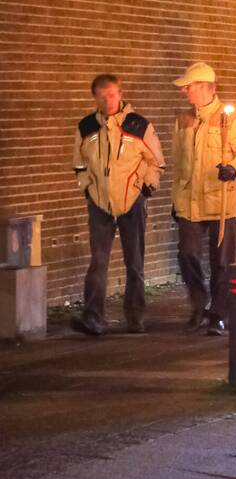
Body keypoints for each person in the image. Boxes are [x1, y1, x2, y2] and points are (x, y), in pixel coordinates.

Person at [71, 74, 165, 335]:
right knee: (98, 261)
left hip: (131, 200)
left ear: (120, 94)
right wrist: (87, 188)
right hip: (99, 202)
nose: (108, 100)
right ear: (95, 98)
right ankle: (93, 317)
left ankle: (135, 317)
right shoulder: (86, 127)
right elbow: (79, 164)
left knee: (134, 261)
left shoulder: (139, 125)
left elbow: (156, 161)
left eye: (112, 95)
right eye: (102, 96)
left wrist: (147, 186)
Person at [171, 62, 236, 335]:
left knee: (222, 260)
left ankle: (219, 313)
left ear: (207, 87)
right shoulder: (183, 119)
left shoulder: (231, 119)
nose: (186, 92)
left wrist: (234, 169)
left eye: (190, 87)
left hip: (223, 201)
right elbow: (179, 163)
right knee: (187, 253)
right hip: (190, 201)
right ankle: (199, 303)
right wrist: (176, 201)